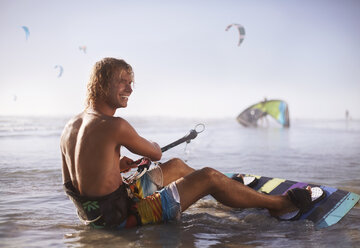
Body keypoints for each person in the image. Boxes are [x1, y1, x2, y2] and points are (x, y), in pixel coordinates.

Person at [61, 57, 322, 229]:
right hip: (122, 219)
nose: (129, 89)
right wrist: (150, 145)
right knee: (207, 176)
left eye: (131, 83)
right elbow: (153, 152)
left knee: (176, 166)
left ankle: (227, 189)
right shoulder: (115, 125)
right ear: (101, 82)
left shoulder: (71, 127)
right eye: (122, 82)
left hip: (97, 215)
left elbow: (75, 181)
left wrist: (115, 166)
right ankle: (278, 205)